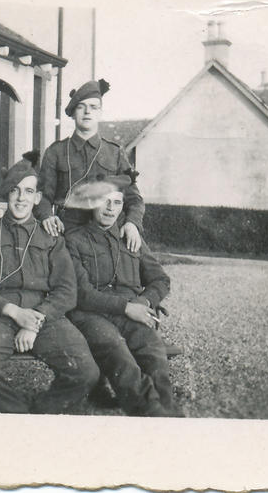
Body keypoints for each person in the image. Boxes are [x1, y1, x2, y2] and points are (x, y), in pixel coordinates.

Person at [0, 153, 100, 414]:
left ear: (37, 198)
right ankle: (19, 416)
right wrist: (15, 313)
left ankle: (41, 412)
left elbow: (66, 291)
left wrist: (35, 320)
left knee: (86, 372)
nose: (21, 198)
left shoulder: (51, 239)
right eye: (14, 191)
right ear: (6, 195)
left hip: (43, 316)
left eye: (28, 191)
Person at [64, 175, 182, 417]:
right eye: (104, 201)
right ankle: (150, 414)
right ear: (92, 204)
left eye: (117, 203)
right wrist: (128, 307)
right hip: (91, 315)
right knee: (118, 352)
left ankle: (171, 417)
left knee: (153, 351)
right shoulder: (74, 241)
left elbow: (161, 280)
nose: (110, 209)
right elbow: (82, 294)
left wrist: (143, 302)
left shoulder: (132, 238)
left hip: (132, 311)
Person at [35, 79, 144, 252]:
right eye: (81, 106)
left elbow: (134, 199)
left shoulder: (114, 153)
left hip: (106, 234)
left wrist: (132, 223)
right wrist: (46, 216)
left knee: (143, 265)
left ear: (100, 113)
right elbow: (43, 197)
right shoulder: (56, 152)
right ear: (72, 113)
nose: (87, 112)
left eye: (93, 107)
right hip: (66, 232)